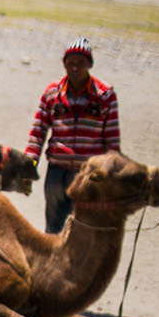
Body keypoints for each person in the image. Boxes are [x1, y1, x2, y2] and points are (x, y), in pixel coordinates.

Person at [25, 37, 120, 233]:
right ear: (64, 64)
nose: (75, 68)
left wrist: (111, 175)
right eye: (70, 63)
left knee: (81, 229)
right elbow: (38, 131)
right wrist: (29, 163)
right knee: (53, 228)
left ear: (90, 65)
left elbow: (111, 140)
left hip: (87, 174)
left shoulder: (104, 96)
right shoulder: (52, 93)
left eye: (80, 63)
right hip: (56, 172)